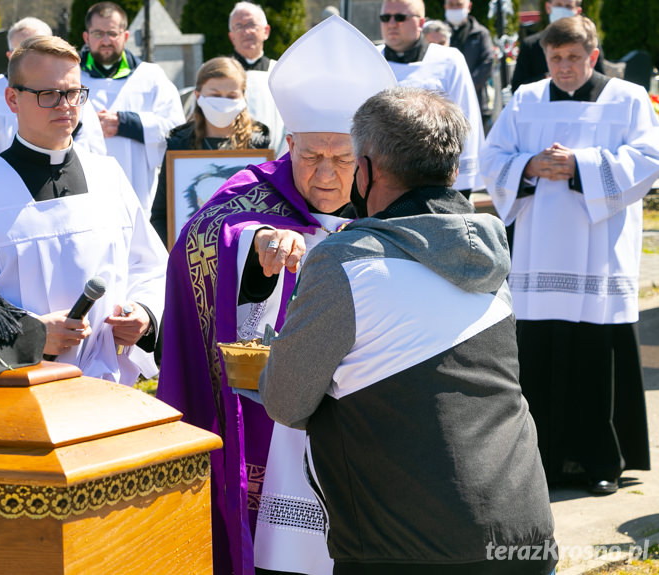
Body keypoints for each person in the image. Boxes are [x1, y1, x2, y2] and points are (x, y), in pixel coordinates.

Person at [260, 86, 557, 575]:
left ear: (369, 169)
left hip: (407, 547)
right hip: (524, 532)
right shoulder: (492, 253)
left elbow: (286, 401)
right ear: (454, 171)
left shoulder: (345, 261)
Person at [157, 16, 396, 575]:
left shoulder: (386, 202)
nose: (328, 175)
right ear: (289, 143)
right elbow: (200, 239)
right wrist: (256, 243)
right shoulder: (252, 191)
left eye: (343, 159)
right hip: (273, 413)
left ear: (366, 155)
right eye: (312, 156)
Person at [0, 35, 167, 386]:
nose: (65, 105)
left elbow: (150, 265)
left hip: (109, 389)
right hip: (19, 385)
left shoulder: (108, 176)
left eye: (74, 93)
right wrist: (28, 334)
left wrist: (144, 314)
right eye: (48, 94)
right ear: (12, 99)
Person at [480, 16, 657, 495]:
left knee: (595, 361)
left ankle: (603, 461)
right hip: (538, 255)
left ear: (593, 56)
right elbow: (491, 158)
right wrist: (529, 165)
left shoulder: (628, 98)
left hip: (598, 255)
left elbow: (649, 159)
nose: (564, 67)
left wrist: (579, 164)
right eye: (555, 58)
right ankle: (539, 462)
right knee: (538, 358)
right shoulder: (525, 99)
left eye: (573, 58)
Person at [0, 17, 105, 176]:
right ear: (10, 56)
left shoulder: (71, 90)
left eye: (40, 47)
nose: (63, 103)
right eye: (22, 51)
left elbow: (91, 143)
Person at [150, 57, 270, 248]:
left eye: (231, 96)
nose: (223, 102)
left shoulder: (259, 145)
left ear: (243, 97)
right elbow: (160, 216)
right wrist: (177, 254)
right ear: (198, 95)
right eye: (215, 94)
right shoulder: (179, 146)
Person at [80, 1, 184, 214]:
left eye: (112, 33)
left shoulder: (150, 76)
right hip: (84, 191)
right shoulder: (71, 78)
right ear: (86, 37)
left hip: (137, 190)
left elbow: (177, 128)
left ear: (125, 36)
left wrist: (125, 123)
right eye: (98, 33)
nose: (106, 40)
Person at [378, 0, 484, 195]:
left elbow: (466, 117)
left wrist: (463, 183)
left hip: (433, 180)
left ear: (420, 23)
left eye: (400, 17)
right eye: (385, 18)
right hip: (379, 179)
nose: (391, 23)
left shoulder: (449, 60)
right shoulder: (370, 58)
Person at [510, 0, 606, 93]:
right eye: (558, 5)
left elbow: (599, 80)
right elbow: (517, 87)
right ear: (548, 7)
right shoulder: (530, 45)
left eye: (568, 6)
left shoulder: (588, 41)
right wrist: (547, 79)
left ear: (578, 11)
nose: (564, 68)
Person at [228, 2, 286, 154]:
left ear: (266, 31)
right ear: (232, 36)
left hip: (274, 158)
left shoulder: (280, 72)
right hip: (230, 159)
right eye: (239, 27)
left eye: (252, 25)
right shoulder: (219, 74)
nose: (246, 31)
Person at [444, 0, 493, 132]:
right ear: (445, 6)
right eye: (451, 5)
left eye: (458, 5)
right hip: (443, 106)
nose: (454, 9)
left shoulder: (480, 33)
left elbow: (487, 62)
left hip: (476, 102)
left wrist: (465, 86)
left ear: (469, 6)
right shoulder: (439, 33)